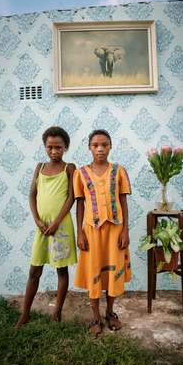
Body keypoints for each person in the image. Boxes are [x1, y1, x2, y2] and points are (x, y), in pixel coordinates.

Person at [16, 126, 77, 327]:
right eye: (50, 147)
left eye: (58, 147)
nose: (53, 151)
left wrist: (57, 221)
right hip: (41, 227)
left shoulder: (70, 168)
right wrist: (37, 220)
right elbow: (32, 195)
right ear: (45, 147)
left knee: (61, 271)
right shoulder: (40, 167)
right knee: (34, 270)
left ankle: (57, 312)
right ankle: (25, 313)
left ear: (65, 147)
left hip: (61, 228)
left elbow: (71, 198)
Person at [73, 129, 132, 336]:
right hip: (91, 231)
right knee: (94, 271)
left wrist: (125, 229)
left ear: (110, 147)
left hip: (115, 230)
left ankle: (110, 313)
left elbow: (123, 201)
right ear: (89, 147)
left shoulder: (119, 171)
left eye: (104, 144)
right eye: (95, 145)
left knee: (112, 274)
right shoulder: (80, 173)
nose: (100, 148)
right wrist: (80, 233)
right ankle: (95, 317)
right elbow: (80, 204)